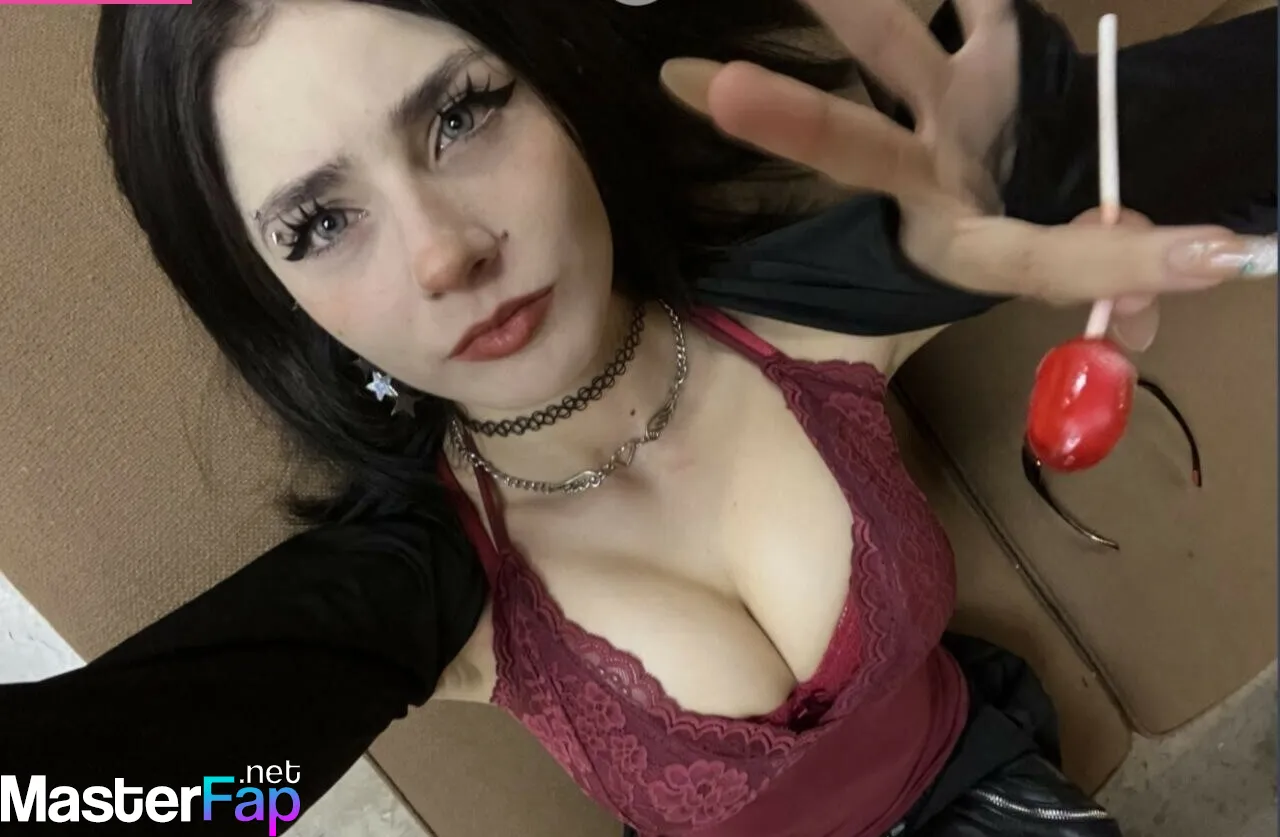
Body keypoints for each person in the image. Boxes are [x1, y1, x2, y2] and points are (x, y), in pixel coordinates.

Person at [0, 0, 1274, 834]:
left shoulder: (810, 315)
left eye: (460, 114)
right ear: (275, 300)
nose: (442, 253)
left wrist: (1067, 158)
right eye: (321, 223)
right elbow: (93, 795)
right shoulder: (419, 592)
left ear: (557, 86)